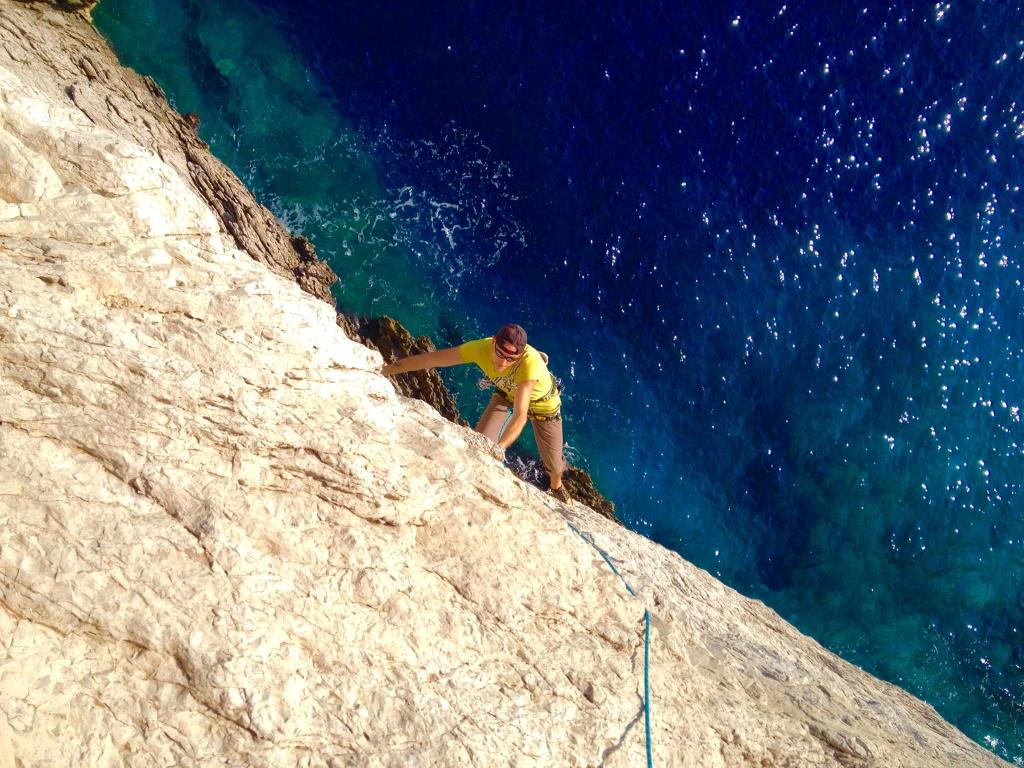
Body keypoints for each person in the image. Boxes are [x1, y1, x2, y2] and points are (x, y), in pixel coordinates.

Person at [381, 323, 570, 503]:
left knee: (553, 467)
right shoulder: (480, 348)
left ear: (520, 357)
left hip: (544, 406)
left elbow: (520, 416)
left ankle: (557, 485)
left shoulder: (529, 365)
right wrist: (385, 370)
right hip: (507, 393)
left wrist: (500, 447)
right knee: (482, 442)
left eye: (511, 359)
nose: (503, 362)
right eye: (500, 353)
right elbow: (431, 360)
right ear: (493, 341)